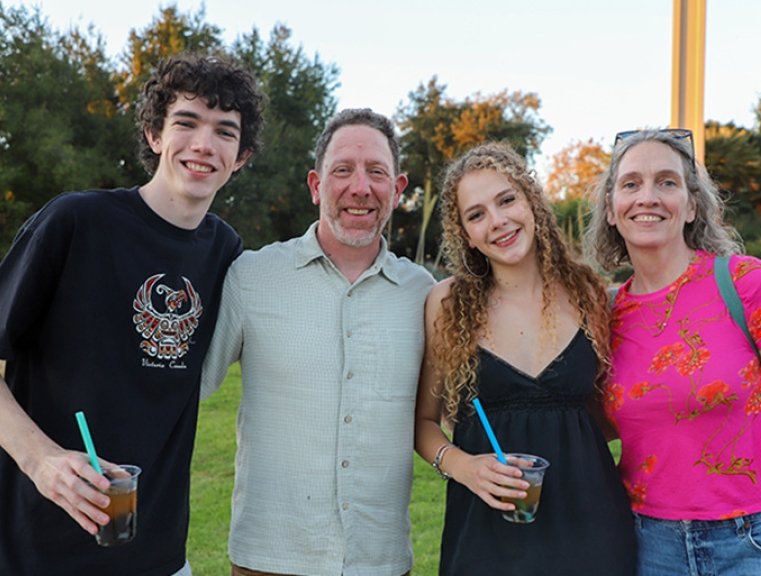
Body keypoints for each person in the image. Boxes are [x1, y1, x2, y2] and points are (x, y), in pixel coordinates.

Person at [0, 52, 266, 576]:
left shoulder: (226, 252)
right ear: (153, 134)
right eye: (186, 123)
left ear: (241, 157)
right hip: (39, 550)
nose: (203, 145)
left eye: (224, 132)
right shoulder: (76, 222)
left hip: (160, 557)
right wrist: (41, 460)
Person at [201, 107, 435, 576]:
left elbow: (443, 413)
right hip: (269, 558)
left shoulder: (424, 294)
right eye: (342, 171)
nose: (360, 188)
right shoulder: (251, 277)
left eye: (377, 173)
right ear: (315, 186)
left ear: (398, 189)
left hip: (382, 562)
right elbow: (184, 389)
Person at [414, 141, 637, 575]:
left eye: (506, 199)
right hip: (486, 535)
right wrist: (463, 467)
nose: (497, 222)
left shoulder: (588, 292)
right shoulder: (446, 303)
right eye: (476, 215)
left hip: (591, 527)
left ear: (531, 201)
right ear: (465, 233)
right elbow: (423, 422)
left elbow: (611, 408)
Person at [585, 128, 761, 575]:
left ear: (691, 206)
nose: (647, 196)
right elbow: (595, 424)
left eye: (667, 182)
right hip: (647, 544)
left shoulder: (747, 283)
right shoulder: (602, 312)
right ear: (611, 210)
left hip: (753, 539)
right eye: (631, 184)